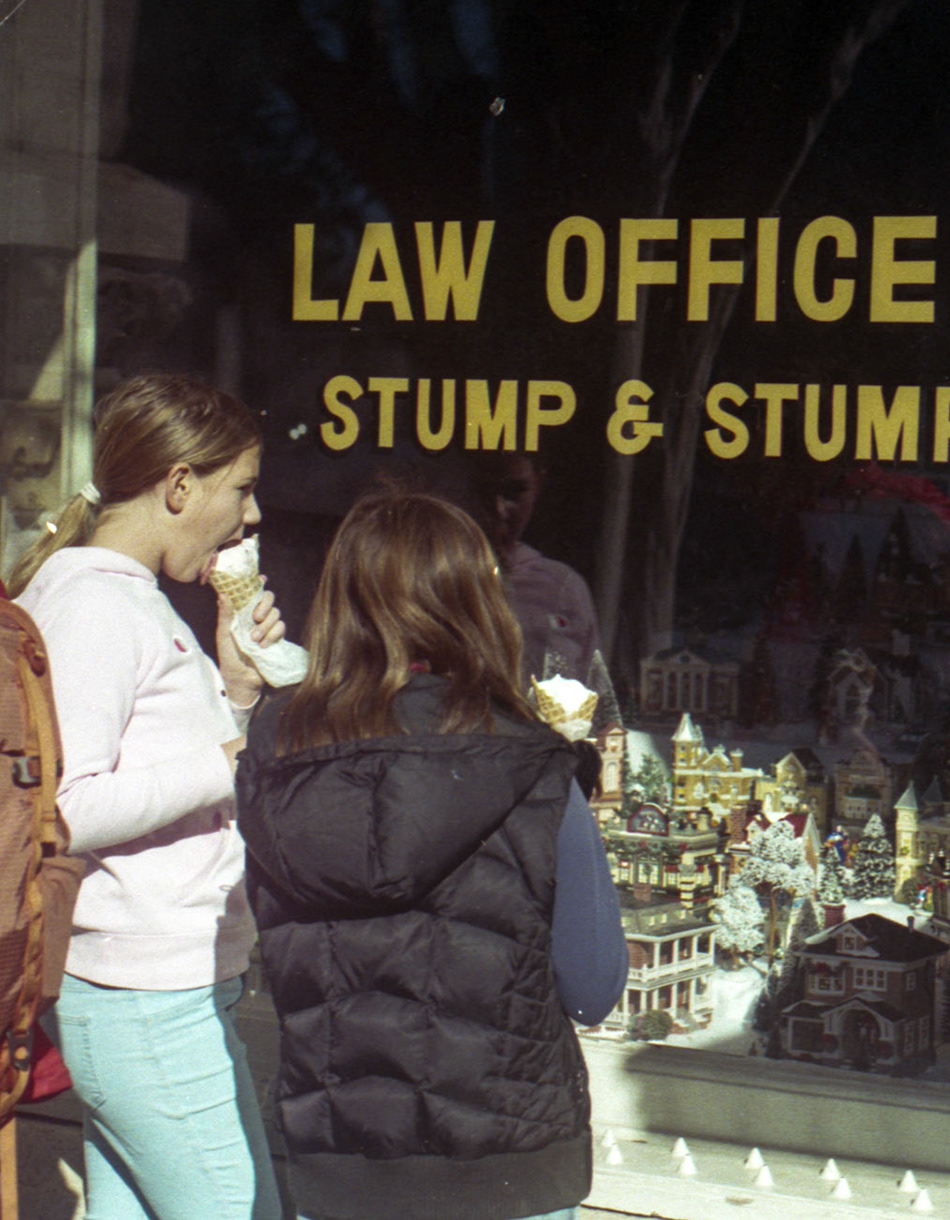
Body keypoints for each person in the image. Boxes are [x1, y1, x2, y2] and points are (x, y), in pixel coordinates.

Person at [235, 491, 625, 1220]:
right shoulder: (536, 766)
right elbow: (593, 985)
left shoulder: (278, 754)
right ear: (478, 603)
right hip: (507, 1169)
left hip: (337, 1168)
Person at [8, 373, 286, 1220]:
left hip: (147, 993)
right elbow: (68, 808)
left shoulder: (124, 601)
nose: (252, 516)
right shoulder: (96, 605)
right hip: (146, 999)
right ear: (177, 485)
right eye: (240, 489)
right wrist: (232, 756)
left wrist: (234, 690)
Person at [471, 452, 601, 682]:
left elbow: (593, 691)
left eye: (515, 493)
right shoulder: (439, 579)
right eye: (485, 493)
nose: (499, 510)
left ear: (538, 486)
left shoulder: (562, 588)